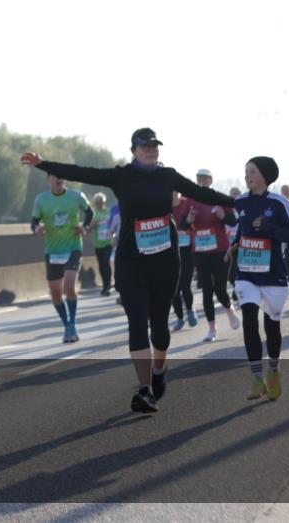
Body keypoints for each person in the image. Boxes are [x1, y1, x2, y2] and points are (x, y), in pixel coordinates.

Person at [21, 128, 234, 414]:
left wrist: (239, 202)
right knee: (137, 322)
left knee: (159, 326)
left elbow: (202, 193)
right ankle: (144, 389)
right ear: (133, 150)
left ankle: (159, 369)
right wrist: (43, 164)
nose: (151, 150)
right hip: (131, 261)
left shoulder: (168, 176)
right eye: (145, 146)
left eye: (155, 146)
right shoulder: (121, 176)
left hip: (164, 261)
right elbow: (82, 172)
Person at [227, 157, 289, 402]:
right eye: (246, 171)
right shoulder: (241, 201)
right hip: (247, 272)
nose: (247, 176)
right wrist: (234, 245)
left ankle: (273, 369)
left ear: (265, 176)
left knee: (272, 326)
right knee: (249, 319)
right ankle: (257, 377)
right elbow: (242, 229)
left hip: (273, 274)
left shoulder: (278, 202)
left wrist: (269, 227)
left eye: (252, 172)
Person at [30, 174, 93, 343]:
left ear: (65, 180)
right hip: (52, 250)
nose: (58, 179)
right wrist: (36, 229)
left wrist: (84, 226)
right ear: (48, 179)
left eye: (61, 177)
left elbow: (90, 212)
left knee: (69, 285)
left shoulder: (76, 196)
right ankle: (66, 325)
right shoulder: (41, 199)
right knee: (56, 294)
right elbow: (33, 222)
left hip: (73, 247)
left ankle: (72, 323)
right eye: (54, 177)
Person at [183, 169, 240, 342]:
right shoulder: (190, 200)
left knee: (220, 289)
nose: (202, 181)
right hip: (200, 251)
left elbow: (233, 221)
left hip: (221, 249)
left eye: (205, 178)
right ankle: (212, 329)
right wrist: (188, 221)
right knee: (207, 289)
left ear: (211, 180)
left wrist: (223, 217)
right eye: (199, 178)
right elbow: (182, 224)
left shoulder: (219, 198)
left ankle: (229, 309)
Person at [170, 191, 198, 331]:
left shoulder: (186, 204)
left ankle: (191, 310)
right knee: (174, 288)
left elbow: (196, 223)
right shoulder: (163, 207)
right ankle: (180, 317)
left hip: (187, 249)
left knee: (185, 285)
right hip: (171, 252)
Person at [88, 193, 115, 296]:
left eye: (101, 202)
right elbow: (88, 228)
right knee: (101, 265)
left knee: (106, 263)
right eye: (97, 202)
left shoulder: (109, 212)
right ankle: (105, 285)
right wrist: (93, 225)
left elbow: (116, 223)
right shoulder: (93, 214)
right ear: (95, 203)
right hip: (98, 244)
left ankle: (107, 285)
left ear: (104, 202)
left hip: (108, 242)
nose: (99, 204)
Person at [227, 187, 242, 302]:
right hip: (227, 246)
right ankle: (237, 289)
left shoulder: (244, 209)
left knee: (235, 272)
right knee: (230, 275)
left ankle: (239, 291)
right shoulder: (226, 210)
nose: (234, 196)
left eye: (237, 194)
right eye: (232, 194)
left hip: (240, 245)